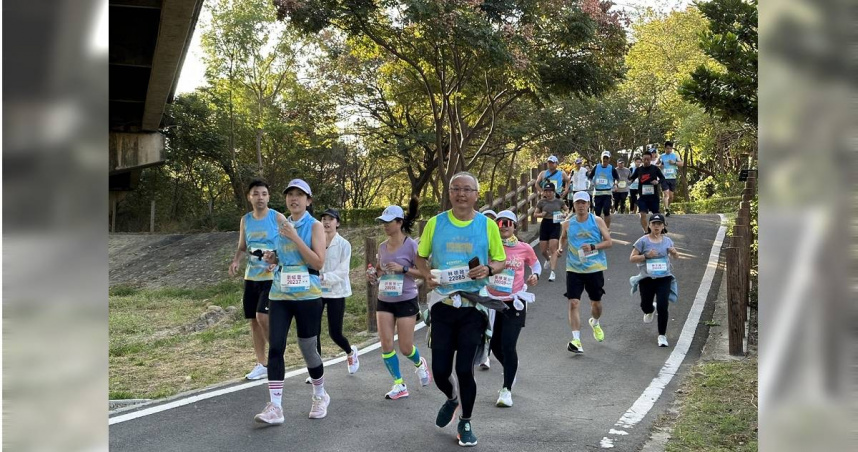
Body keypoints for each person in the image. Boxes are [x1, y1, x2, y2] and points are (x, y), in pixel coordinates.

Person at [416, 171, 507, 447]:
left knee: (465, 369)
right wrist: (427, 275)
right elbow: (420, 257)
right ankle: (452, 398)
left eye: (467, 189)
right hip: (443, 305)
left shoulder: (487, 225)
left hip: (473, 306)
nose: (461, 194)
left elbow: (500, 260)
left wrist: (488, 269)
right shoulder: (436, 223)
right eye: (456, 188)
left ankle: (466, 421)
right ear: (449, 193)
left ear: (476, 195)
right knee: (440, 370)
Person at [254, 179, 329, 425]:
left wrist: (295, 237)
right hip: (280, 295)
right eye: (290, 195)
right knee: (276, 347)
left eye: (299, 195)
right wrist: (272, 257)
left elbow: (318, 262)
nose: (294, 199)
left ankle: (320, 394)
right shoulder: (281, 225)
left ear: (308, 200)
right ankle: (275, 406)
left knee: (308, 349)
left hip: (308, 296)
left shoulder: (315, 226)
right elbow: (283, 258)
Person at [367, 199, 432, 399]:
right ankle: (399, 384)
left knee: (405, 347)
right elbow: (380, 269)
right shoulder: (382, 247)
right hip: (385, 299)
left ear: (399, 222)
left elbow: (424, 273)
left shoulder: (411, 246)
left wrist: (403, 268)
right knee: (386, 344)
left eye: (388, 222)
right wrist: (374, 275)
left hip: (406, 299)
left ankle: (419, 363)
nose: (385, 225)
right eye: (383, 222)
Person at [229, 180, 287, 381]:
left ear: (268, 197)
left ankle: (277, 355)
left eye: (264, 193)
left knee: (262, 316)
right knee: (254, 321)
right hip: (251, 276)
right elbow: (242, 246)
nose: (260, 197)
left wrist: (278, 259)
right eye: (256, 194)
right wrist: (236, 261)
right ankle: (262, 364)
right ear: (249, 197)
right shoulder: (245, 220)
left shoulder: (277, 218)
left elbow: (290, 242)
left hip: (272, 276)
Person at [486, 210, 540, 408]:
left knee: (508, 345)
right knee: (494, 346)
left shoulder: (524, 248)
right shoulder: (489, 247)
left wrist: (535, 276)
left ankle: (506, 389)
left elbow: (536, 265)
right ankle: (511, 368)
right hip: (492, 302)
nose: (504, 226)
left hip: (514, 302)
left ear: (515, 226)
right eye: (500, 223)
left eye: (508, 223)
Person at [557, 192, 612, 354]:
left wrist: (593, 247)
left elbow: (609, 242)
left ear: (588, 204)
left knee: (596, 303)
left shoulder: (597, 221)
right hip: (574, 268)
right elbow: (563, 238)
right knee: (573, 302)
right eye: (578, 203)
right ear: (573, 205)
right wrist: (560, 248)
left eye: (584, 203)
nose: (581, 206)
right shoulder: (567, 224)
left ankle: (595, 322)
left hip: (594, 268)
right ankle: (576, 340)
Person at [317, 208, 359, 373]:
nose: (326, 222)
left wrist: (324, 277)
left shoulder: (344, 244)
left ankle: (350, 352)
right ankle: (316, 370)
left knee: (335, 333)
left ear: (338, 223)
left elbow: (343, 271)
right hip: (317, 291)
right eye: (324, 219)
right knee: (314, 332)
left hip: (337, 292)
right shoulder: (316, 241)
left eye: (330, 219)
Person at [630, 214, 679, 347]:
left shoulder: (668, 241)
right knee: (645, 306)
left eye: (659, 224)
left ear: (663, 226)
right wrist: (646, 255)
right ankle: (650, 309)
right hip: (647, 279)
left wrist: (674, 253)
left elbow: (676, 257)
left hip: (664, 278)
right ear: (649, 225)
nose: (656, 226)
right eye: (654, 224)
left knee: (663, 306)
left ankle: (662, 335)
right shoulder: (642, 241)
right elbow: (632, 258)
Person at [534, 182, 567, 282]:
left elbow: (567, 210)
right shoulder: (541, 202)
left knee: (553, 249)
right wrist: (541, 215)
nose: (548, 193)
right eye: (546, 191)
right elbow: (535, 214)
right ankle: (548, 259)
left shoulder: (559, 202)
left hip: (555, 225)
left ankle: (552, 272)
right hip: (545, 224)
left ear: (554, 192)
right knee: (543, 250)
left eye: (550, 191)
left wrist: (565, 214)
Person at [628, 151, 666, 233]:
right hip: (643, 197)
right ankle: (646, 232)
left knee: (656, 215)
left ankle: (661, 229)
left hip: (653, 196)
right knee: (642, 214)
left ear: (651, 159)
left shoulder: (655, 169)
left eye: (648, 159)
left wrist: (657, 182)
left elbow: (662, 178)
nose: (646, 161)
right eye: (644, 159)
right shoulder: (639, 170)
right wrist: (626, 182)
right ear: (642, 159)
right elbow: (631, 178)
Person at [587, 151, 620, 229]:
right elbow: (590, 177)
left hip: (607, 193)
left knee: (606, 211)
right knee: (597, 212)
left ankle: (607, 228)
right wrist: (590, 183)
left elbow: (617, 178)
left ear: (609, 159)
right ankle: (598, 228)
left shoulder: (611, 168)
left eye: (607, 158)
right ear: (601, 158)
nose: (605, 160)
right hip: (597, 193)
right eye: (604, 158)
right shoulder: (596, 167)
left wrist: (615, 185)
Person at [656, 141, 684, 216]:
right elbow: (656, 164)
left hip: (672, 178)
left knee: (671, 197)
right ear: (665, 148)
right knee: (666, 194)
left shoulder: (675, 155)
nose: (669, 150)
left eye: (670, 148)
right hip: (664, 178)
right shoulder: (661, 156)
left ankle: (667, 207)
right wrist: (660, 166)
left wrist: (674, 163)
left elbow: (681, 164)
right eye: (667, 148)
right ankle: (666, 210)